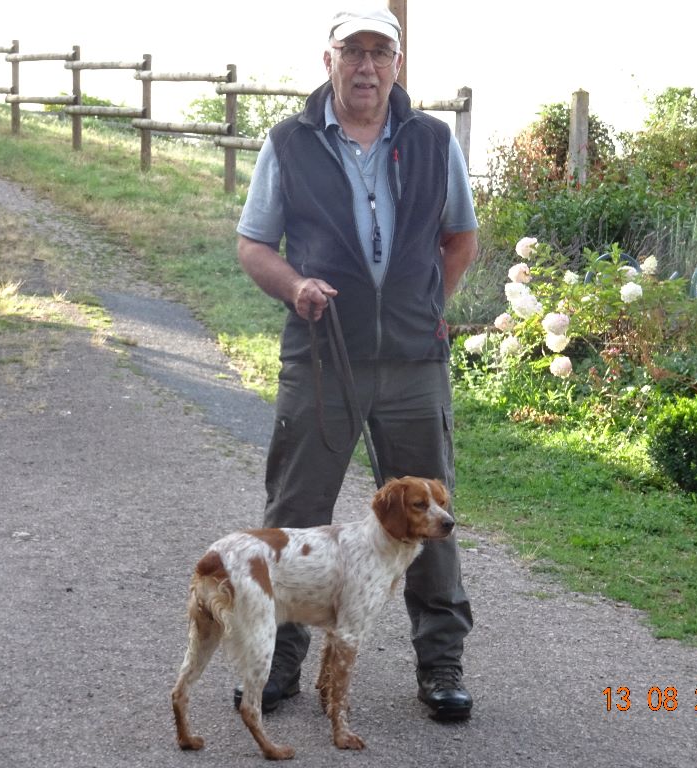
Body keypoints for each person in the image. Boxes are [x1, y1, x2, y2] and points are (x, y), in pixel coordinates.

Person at [234, 5, 478, 722]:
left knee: (430, 521)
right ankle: (275, 667)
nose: (366, 66)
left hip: (412, 362)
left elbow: (459, 239)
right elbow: (254, 246)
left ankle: (441, 668)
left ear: (397, 64)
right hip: (321, 358)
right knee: (294, 519)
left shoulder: (435, 142)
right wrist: (294, 287)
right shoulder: (289, 143)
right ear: (329, 60)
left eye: (381, 53)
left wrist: (430, 305)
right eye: (353, 52)